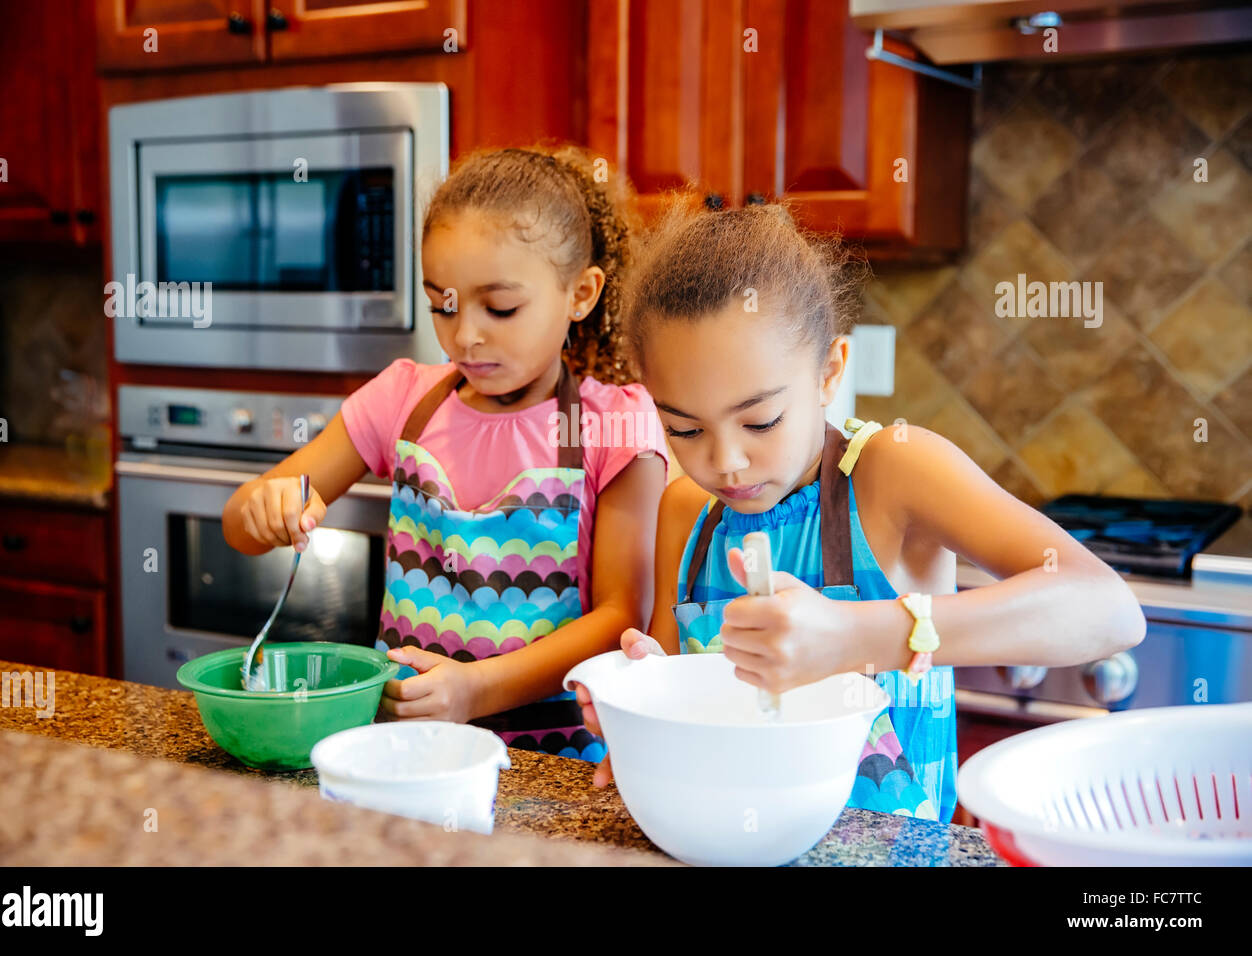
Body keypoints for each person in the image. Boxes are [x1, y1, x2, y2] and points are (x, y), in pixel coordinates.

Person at [572, 199, 1144, 820]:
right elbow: (688, 693)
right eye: (684, 430)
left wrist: (855, 635)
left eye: (759, 420)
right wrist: (644, 709)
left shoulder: (892, 473)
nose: (726, 461)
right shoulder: (686, 513)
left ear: (829, 373)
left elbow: (1107, 610)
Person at [223, 146, 669, 762]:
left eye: (502, 307)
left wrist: (472, 690)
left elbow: (623, 617)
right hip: (406, 753)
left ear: (581, 293)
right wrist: (264, 508)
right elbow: (241, 526)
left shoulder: (614, 426)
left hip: (549, 769)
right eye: (443, 305)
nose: (466, 335)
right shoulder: (402, 398)